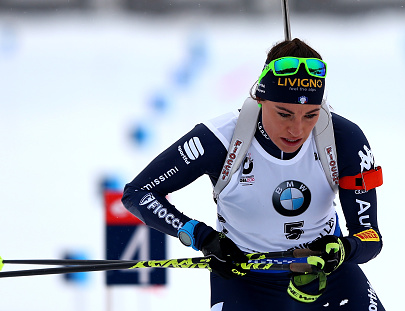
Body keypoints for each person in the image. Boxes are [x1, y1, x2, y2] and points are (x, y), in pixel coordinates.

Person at [122, 38, 386, 310]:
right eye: (284, 114)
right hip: (245, 278)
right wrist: (203, 237)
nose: (297, 129)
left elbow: (370, 237)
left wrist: (343, 249)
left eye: (311, 115)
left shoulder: (343, 139)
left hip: (327, 278)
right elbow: (138, 193)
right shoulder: (220, 139)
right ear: (259, 99)